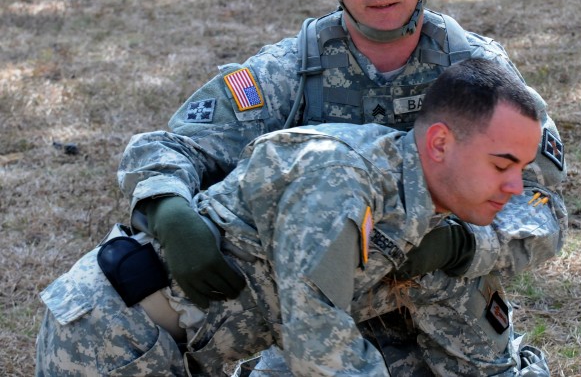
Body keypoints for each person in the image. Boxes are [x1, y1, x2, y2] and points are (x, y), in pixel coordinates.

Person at [37, 0, 567, 376]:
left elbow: (541, 203)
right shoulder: (291, 71)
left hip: (446, 295)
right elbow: (171, 147)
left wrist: (463, 246)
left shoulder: (479, 76)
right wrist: (167, 207)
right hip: (313, 301)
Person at [38, 59, 553, 376]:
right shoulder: (341, 180)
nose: (514, 188)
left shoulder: (416, 200)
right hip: (111, 342)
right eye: (502, 165)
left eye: (522, 169)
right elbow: (320, 350)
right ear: (440, 142)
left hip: (177, 348)